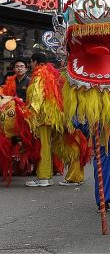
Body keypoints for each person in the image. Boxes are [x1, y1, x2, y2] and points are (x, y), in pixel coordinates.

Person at [25, 53, 64, 187]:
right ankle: (46, 176)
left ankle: (43, 177)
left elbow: (37, 97)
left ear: (35, 62)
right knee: (46, 145)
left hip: (42, 116)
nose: (30, 65)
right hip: (51, 116)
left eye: (31, 62)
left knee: (42, 146)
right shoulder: (49, 73)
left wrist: (30, 114)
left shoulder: (39, 75)